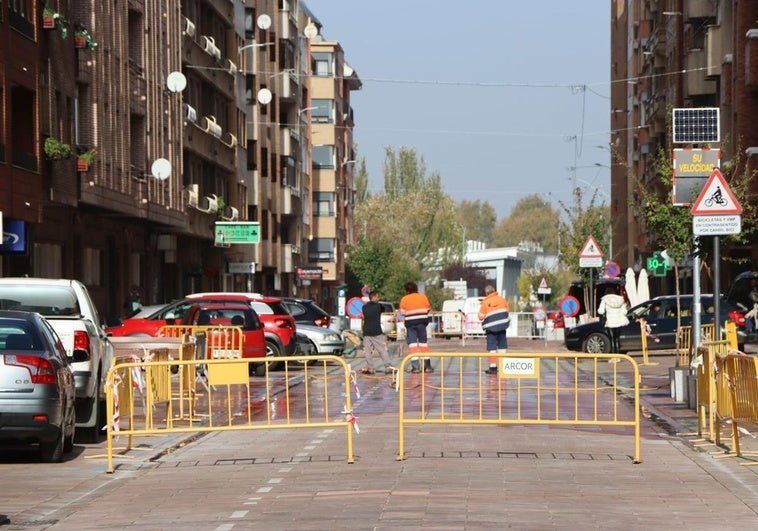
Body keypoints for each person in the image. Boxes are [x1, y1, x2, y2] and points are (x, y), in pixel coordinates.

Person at [398, 281, 433, 373]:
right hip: (422, 323)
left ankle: (416, 367)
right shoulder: (423, 297)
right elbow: (428, 308)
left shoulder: (404, 299)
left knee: (413, 344)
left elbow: (402, 312)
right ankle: (427, 366)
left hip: (410, 324)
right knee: (423, 344)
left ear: (407, 290)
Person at [478, 285, 510, 374]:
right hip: (502, 327)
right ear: (494, 291)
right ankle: (504, 367)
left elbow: (480, 317)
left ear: (486, 293)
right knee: (502, 346)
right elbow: (507, 311)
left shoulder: (485, 302)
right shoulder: (502, 299)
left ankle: (493, 368)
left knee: (492, 348)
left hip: (491, 329)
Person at [360, 290, 394, 374]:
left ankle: (370, 369)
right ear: (374, 297)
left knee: (368, 351)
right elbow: (383, 309)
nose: (379, 298)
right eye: (378, 297)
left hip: (367, 331)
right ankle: (388, 367)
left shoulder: (364, 307)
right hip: (376, 331)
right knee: (382, 350)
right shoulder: (378, 306)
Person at [597, 286, 629, 353]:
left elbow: (601, 311)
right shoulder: (621, 299)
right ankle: (618, 355)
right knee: (617, 339)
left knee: (612, 339)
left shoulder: (605, 300)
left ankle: (613, 356)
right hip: (619, 322)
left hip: (610, 322)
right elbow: (625, 312)